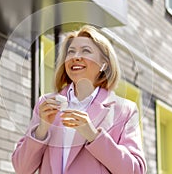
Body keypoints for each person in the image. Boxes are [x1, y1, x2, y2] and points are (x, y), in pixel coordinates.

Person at [12, 25, 147, 174]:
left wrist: (94, 136)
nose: (76, 57)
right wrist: (42, 128)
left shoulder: (124, 110)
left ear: (104, 64)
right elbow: (21, 168)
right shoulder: (46, 103)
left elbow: (135, 171)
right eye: (71, 52)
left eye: (86, 51)